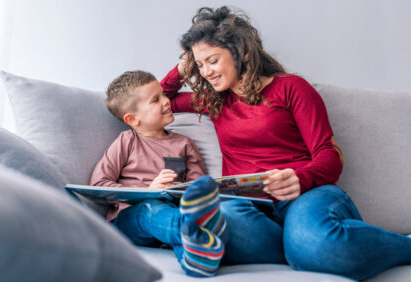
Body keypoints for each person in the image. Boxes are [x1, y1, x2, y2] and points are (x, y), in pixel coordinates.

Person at [161, 6, 411, 280]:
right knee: (217, 219)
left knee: (314, 244)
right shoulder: (214, 101)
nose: (205, 72)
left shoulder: (290, 88)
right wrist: (183, 67)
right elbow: (158, 103)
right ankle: (295, 247)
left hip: (306, 195)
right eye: (200, 64)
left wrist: (299, 178)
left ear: (241, 52)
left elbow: (329, 154)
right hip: (249, 207)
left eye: (212, 60)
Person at [90, 70, 229, 277]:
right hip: (133, 218)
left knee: (183, 217)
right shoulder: (127, 141)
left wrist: (182, 193)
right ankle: (195, 229)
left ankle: (196, 260)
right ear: (133, 119)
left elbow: (197, 187)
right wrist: (148, 190)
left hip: (173, 212)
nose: (166, 101)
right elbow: (99, 184)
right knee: (150, 208)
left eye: (163, 94)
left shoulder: (184, 144)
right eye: (156, 99)